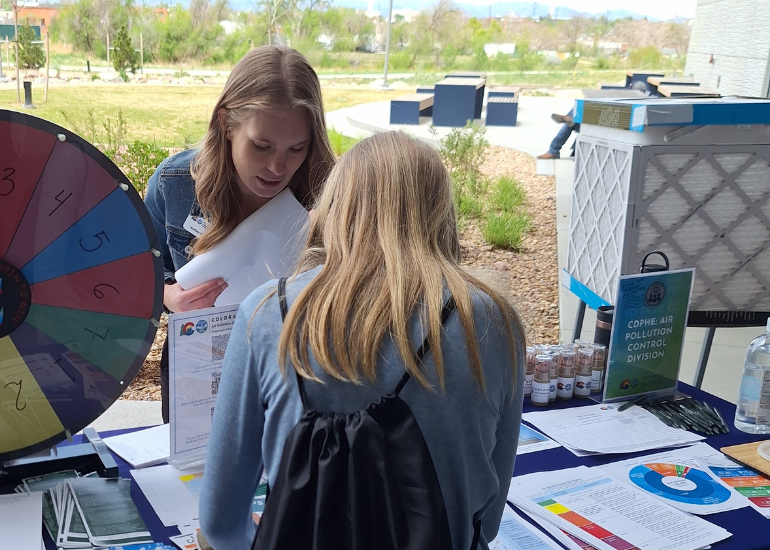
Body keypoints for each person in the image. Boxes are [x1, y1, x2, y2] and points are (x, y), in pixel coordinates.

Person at [199, 131, 526, 549]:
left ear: (334, 207)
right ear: (441, 212)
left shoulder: (268, 313)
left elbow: (220, 525)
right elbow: (488, 519)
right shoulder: (493, 320)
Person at [143, 45, 335, 423]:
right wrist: (170, 297)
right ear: (226, 123)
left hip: (296, 368)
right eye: (261, 146)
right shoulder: (174, 183)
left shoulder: (329, 191)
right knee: (192, 475)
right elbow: (137, 271)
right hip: (199, 362)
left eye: (297, 148)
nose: (278, 167)